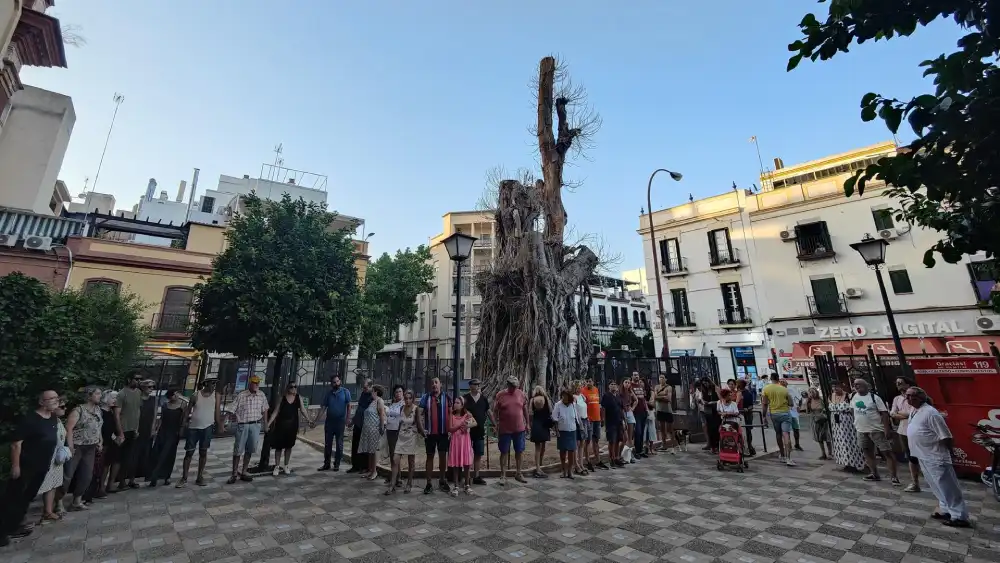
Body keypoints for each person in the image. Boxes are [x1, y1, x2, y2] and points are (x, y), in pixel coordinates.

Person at [904, 386, 970, 527]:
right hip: (923, 455)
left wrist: (949, 453)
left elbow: (945, 436)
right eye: (907, 396)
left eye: (913, 395)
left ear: (921, 397)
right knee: (936, 485)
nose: (909, 398)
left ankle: (959, 516)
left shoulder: (931, 413)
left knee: (948, 486)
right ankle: (945, 509)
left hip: (936, 456)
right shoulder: (914, 410)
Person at [0, 390, 60, 547]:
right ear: (41, 402)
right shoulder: (30, 420)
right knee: (13, 499)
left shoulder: (53, 417)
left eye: (56, 398)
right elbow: (16, 444)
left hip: (42, 466)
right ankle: (2, 532)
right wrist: (16, 466)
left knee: (27, 498)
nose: (56, 400)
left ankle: (14, 526)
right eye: (51, 398)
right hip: (26, 466)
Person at [850, 378, 900, 484]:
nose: (856, 386)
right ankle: (874, 473)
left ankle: (894, 476)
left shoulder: (874, 397)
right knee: (867, 452)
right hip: (861, 429)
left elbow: (884, 413)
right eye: (855, 384)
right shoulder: (854, 397)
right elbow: (852, 410)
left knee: (887, 452)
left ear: (866, 385)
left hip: (876, 429)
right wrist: (856, 423)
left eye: (859, 384)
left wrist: (886, 429)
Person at [63, 386, 103, 511]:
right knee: (68, 475)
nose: (100, 396)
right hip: (77, 446)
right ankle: (58, 502)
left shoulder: (98, 410)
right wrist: (70, 446)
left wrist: (100, 440)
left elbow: (98, 426)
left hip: (91, 446)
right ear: (89, 395)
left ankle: (77, 501)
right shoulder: (78, 410)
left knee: (86, 475)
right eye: (97, 394)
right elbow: (68, 428)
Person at [178, 379, 222, 487]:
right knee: (189, 453)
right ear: (206, 383)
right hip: (194, 427)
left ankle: (199, 476)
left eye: (215, 383)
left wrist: (220, 425)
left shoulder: (216, 396)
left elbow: (217, 411)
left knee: (203, 452)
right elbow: (188, 410)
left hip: (207, 427)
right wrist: (183, 425)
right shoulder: (196, 395)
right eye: (212, 383)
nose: (214, 385)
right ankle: (184, 477)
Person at [228, 375, 269, 484]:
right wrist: (233, 418)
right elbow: (231, 408)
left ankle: (244, 471)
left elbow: (265, 409)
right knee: (238, 450)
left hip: (255, 424)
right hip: (243, 424)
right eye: (253, 383)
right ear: (249, 383)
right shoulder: (242, 395)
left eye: (257, 383)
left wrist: (266, 424)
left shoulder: (261, 395)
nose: (255, 385)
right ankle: (234, 473)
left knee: (250, 449)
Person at [267, 382, 314, 477]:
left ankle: (286, 465)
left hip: (292, 426)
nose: (294, 389)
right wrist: (268, 424)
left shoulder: (297, 397)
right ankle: (277, 466)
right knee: (279, 447)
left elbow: (303, 409)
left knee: (289, 446)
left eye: (295, 387)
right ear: (288, 388)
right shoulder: (282, 398)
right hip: (281, 425)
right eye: (291, 387)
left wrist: (309, 420)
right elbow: (276, 412)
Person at [493, 376, 529, 485]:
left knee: (520, 451)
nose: (514, 388)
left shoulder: (521, 394)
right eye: (512, 386)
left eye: (516, 386)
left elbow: (525, 409)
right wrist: (495, 424)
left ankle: (518, 473)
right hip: (505, 429)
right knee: (504, 451)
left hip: (519, 429)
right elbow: (495, 411)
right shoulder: (500, 395)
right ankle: (503, 475)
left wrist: (528, 423)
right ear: (508, 385)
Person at [37, 399, 68, 523]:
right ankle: (45, 512)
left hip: (57, 457)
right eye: (62, 406)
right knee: (46, 484)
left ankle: (48, 511)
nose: (65, 408)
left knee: (53, 483)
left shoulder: (57, 420)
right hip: (47, 455)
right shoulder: (46, 421)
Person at [110, 372, 142, 492]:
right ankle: (110, 484)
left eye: (140, 379)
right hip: (122, 430)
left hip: (133, 430)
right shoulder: (122, 394)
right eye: (136, 378)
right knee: (117, 458)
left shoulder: (138, 393)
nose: (139, 381)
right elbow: (116, 414)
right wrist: (120, 432)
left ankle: (122, 482)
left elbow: (138, 411)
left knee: (128, 457)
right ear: (129, 379)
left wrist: (137, 428)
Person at [418, 377, 450, 494]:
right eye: (432, 383)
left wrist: (450, 429)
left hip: (443, 433)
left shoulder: (446, 397)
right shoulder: (426, 397)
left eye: (436, 382)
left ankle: (442, 480)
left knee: (443, 457)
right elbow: (419, 413)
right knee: (429, 457)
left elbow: (452, 413)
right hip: (430, 434)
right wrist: (421, 429)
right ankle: (429, 483)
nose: (434, 385)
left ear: (440, 384)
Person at [148, 388, 186, 487]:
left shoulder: (182, 405)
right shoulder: (165, 405)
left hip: (173, 433)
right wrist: (156, 430)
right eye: (174, 395)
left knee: (168, 454)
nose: (176, 396)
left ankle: (166, 476)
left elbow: (183, 419)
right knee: (157, 453)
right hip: (163, 431)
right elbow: (161, 419)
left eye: (177, 394)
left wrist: (181, 430)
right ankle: (154, 475)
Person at [891, 376, 922, 492]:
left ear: (908, 384)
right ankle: (915, 481)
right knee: (910, 456)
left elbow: (914, 412)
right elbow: (893, 413)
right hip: (903, 430)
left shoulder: (915, 398)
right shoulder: (897, 399)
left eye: (901, 382)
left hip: (917, 430)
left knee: (920, 453)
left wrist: (902, 414)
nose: (898, 385)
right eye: (897, 383)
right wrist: (905, 414)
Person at [385, 390, 418, 495]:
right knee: (395, 459)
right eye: (406, 398)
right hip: (401, 436)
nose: (408, 400)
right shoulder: (401, 408)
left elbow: (419, 424)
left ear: (413, 399)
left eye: (410, 398)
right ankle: (392, 485)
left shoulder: (416, 409)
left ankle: (409, 483)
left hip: (411, 436)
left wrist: (423, 433)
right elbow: (400, 422)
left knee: (411, 461)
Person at [316, 375, 352, 472]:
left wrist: (348, 418)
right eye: (334, 382)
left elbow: (349, 406)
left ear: (340, 381)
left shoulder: (345, 392)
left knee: (339, 444)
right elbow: (323, 407)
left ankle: (337, 464)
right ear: (331, 383)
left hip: (340, 422)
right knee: (328, 444)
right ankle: (326, 464)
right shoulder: (329, 394)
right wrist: (316, 420)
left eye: (337, 381)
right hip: (329, 422)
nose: (336, 383)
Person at [463, 379, 493, 485]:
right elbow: (459, 410)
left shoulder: (483, 398)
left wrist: (494, 423)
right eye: (475, 384)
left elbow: (488, 411)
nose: (477, 386)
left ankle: (476, 476)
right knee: (466, 453)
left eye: (478, 384)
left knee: (478, 454)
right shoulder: (465, 398)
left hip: (479, 430)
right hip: (467, 431)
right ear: (470, 385)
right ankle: (466, 476)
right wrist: (466, 412)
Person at [761, 372, 796, 467]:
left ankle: (782, 455)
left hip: (774, 413)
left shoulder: (766, 389)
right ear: (778, 379)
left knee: (778, 434)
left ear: (771, 379)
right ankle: (789, 458)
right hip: (785, 413)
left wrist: (764, 416)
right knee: (786, 434)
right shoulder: (784, 389)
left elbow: (764, 404)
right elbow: (791, 403)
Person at [95, 390, 120, 499]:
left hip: (111, 441)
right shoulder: (100, 412)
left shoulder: (111, 412)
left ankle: (104, 486)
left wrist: (115, 437)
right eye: (113, 397)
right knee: (102, 466)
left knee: (108, 464)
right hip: (102, 442)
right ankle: (99, 488)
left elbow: (111, 428)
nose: (115, 400)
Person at [447, 396, 475, 496]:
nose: (455, 404)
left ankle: (467, 485)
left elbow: (474, 423)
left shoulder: (467, 415)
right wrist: (460, 425)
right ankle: (455, 486)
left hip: (465, 441)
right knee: (456, 464)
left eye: (458, 403)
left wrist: (467, 426)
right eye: (455, 402)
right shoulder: (452, 415)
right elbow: (450, 429)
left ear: (462, 405)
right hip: (455, 442)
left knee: (466, 464)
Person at [358, 384, 387, 480]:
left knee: (374, 451)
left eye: (372, 390)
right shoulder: (371, 401)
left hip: (375, 429)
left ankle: (374, 471)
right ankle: (370, 470)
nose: (371, 392)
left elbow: (382, 414)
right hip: (367, 430)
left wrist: (382, 427)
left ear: (376, 391)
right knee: (370, 451)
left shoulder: (379, 401)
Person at [552, 389, 580, 479]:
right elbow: (555, 419)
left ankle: (570, 471)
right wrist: (557, 432)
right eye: (563, 396)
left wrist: (581, 427)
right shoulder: (558, 405)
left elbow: (576, 418)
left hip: (572, 430)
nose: (564, 397)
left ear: (569, 396)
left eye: (566, 396)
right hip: (562, 431)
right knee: (563, 452)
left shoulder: (573, 405)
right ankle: (563, 470)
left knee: (572, 451)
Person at [580, 378, 607, 469]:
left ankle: (598, 460)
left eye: (590, 381)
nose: (589, 383)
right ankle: (587, 461)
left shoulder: (596, 389)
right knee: (587, 441)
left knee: (596, 440)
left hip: (597, 419)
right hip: (589, 419)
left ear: (593, 382)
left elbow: (597, 404)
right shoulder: (582, 391)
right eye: (587, 381)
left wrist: (601, 418)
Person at [348, 378, 373, 474]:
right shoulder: (363, 394)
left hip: (366, 425)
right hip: (358, 423)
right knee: (355, 445)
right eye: (363, 387)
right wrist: (353, 421)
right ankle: (355, 466)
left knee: (364, 447)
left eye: (366, 387)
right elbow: (359, 409)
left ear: (371, 386)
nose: (364, 389)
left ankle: (364, 466)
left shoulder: (372, 396)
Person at [528, 386, 553, 478]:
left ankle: (538, 467)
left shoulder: (532, 400)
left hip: (536, 425)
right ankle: (540, 465)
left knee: (537, 448)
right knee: (543, 446)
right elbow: (550, 411)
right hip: (545, 425)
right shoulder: (546, 399)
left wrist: (530, 423)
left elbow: (530, 413)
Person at [135, 379, 157, 482]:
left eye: (153, 387)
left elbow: (154, 414)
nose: (151, 389)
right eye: (149, 387)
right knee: (135, 450)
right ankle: (131, 474)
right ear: (142, 387)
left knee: (146, 450)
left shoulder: (154, 399)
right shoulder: (137, 398)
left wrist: (153, 428)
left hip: (148, 427)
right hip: (138, 426)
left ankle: (144, 472)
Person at [601, 381, 625, 468]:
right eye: (611, 384)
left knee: (618, 440)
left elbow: (621, 409)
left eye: (615, 384)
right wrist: (603, 419)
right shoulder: (606, 396)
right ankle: (611, 458)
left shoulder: (618, 396)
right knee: (612, 440)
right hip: (610, 421)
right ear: (609, 386)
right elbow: (603, 408)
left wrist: (624, 420)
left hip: (619, 421)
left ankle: (616, 458)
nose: (613, 386)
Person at [804, 388, 832, 460]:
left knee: (827, 437)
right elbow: (807, 412)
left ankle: (830, 453)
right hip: (815, 420)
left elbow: (827, 408)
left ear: (816, 393)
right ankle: (823, 454)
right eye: (810, 393)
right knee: (819, 438)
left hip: (823, 419)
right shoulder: (809, 401)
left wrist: (822, 412)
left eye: (812, 392)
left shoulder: (821, 399)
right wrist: (807, 403)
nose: (811, 394)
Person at [779, 379, 805, 451]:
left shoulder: (792, 389)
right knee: (786, 430)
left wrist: (799, 406)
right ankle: (789, 445)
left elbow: (800, 398)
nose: (782, 383)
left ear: (787, 383)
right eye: (781, 382)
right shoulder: (778, 391)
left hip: (793, 412)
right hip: (784, 412)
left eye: (783, 382)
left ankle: (797, 444)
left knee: (796, 429)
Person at [653, 375, 675, 454]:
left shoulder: (669, 387)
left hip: (668, 410)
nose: (661, 379)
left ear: (665, 379)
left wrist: (659, 397)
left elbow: (668, 398)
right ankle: (664, 444)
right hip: (659, 410)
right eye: (660, 377)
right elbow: (654, 397)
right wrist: (663, 396)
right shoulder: (656, 387)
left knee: (670, 429)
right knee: (662, 429)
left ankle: (673, 445)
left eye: (662, 377)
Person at [630, 372, 650, 458]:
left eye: (637, 375)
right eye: (634, 375)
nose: (636, 376)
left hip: (643, 412)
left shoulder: (640, 386)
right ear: (632, 376)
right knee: (637, 432)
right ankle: (636, 451)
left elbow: (643, 399)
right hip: (636, 412)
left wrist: (646, 409)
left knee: (642, 432)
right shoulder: (630, 386)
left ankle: (640, 450)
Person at [572, 382, 590, 475]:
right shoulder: (574, 397)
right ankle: (576, 464)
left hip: (585, 419)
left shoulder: (582, 396)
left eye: (580, 387)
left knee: (583, 442)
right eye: (577, 387)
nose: (579, 389)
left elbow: (585, 408)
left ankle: (581, 463)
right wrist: (580, 424)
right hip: (578, 421)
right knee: (577, 443)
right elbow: (575, 411)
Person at [700, 379, 721, 454]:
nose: (705, 385)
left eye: (706, 383)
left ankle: (718, 446)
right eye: (704, 384)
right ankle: (712, 446)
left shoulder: (716, 388)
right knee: (710, 429)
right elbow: (702, 398)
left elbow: (721, 399)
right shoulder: (704, 390)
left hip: (716, 411)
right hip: (708, 411)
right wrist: (703, 402)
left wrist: (713, 402)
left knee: (716, 429)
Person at [736, 379, 756, 455]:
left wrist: (747, 409)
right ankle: (744, 446)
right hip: (740, 414)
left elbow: (751, 405)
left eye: (738, 384)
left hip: (747, 414)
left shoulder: (748, 393)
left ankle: (749, 446)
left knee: (748, 430)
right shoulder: (736, 392)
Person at [621, 380, 637, 461]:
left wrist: (632, 408)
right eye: (625, 382)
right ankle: (623, 455)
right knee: (625, 437)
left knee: (630, 437)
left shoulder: (630, 392)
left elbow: (636, 400)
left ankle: (629, 456)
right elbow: (621, 406)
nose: (627, 384)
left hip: (629, 413)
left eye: (628, 382)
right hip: (623, 413)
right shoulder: (621, 393)